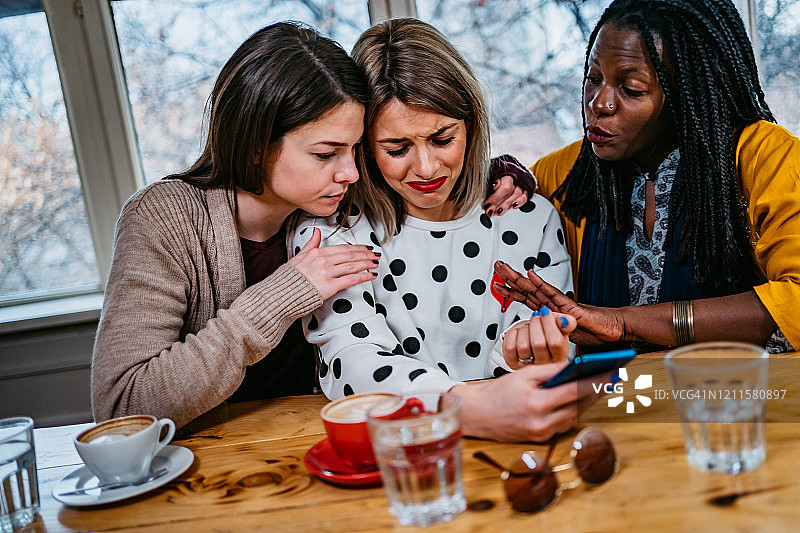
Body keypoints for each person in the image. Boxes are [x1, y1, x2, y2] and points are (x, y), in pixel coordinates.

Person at [293, 18, 608, 443]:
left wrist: (535, 352)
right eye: (397, 148)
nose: (425, 168)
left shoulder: (528, 216)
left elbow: (549, 353)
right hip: (397, 452)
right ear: (362, 145)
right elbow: (350, 364)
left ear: (472, 128)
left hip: (513, 443)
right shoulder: (330, 232)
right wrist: (463, 406)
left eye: (442, 139)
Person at [91, 23, 381, 429]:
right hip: (212, 464)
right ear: (257, 145)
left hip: (325, 439)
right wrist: (282, 296)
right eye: (325, 153)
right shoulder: (163, 218)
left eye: (354, 149)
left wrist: (499, 174)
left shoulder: (343, 198)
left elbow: (435, 171)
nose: (349, 171)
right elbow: (123, 407)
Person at [494, 0, 800, 362]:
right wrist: (499, 174)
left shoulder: (765, 156)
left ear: (690, 93)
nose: (599, 103)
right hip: (614, 406)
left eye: (632, 88)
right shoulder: (562, 173)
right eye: (593, 78)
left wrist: (624, 323)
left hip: (735, 402)